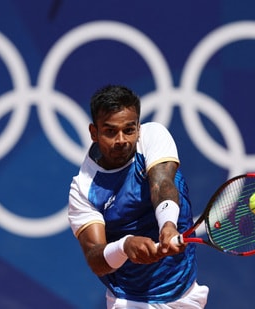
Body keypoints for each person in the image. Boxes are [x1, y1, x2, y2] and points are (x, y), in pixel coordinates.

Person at [67, 84, 209, 308]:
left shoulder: (153, 136)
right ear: (94, 132)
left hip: (186, 291)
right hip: (130, 300)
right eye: (110, 131)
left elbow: (162, 184)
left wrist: (168, 225)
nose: (121, 139)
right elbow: (95, 258)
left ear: (139, 129)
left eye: (129, 130)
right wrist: (125, 246)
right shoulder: (83, 188)